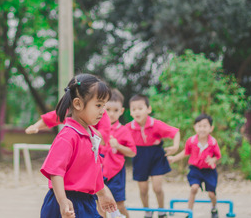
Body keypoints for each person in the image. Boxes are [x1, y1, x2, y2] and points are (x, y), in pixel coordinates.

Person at [40, 74, 117, 217]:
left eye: (104, 106)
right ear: (78, 103)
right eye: (98, 105)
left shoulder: (92, 135)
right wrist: (63, 201)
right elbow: (55, 172)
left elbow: (93, 169)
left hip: (86, 202)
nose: (103, 111)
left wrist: (102, 193)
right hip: (67, 203)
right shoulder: (68, 136)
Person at [128, 94, 180, 218]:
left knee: (157, 188)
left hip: (156, 156)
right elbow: (116, 138)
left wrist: (175, 147)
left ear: (148, 109)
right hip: (139, 157)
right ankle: (147, 211)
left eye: (140, 108)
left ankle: (161, 210)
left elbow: (175, 132)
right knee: (143, 190)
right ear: (130, 112)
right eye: (134, 109)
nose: (137, 111)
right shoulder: (128, 128)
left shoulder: (156, 124)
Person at [168, 114, 221, 218]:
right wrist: (174, 158)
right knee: (194, 188)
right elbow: (185, 152)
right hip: (195, 169)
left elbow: (218, 156)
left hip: (209, 171)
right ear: (195, 127)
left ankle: (214, 208)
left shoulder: (213, 142)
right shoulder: (191, 141)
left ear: (211, 128)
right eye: (199, 126)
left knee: (211, 193)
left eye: (205, 126)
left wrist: (212, 160)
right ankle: (189, 211)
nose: (202, 129)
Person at [98, 89, 136, 218]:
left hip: (116, 174)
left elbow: (132, 152)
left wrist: (118, 146)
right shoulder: (96, 129)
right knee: (100, 205)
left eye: (115, 110)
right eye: (108, 109)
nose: (111, 114)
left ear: (121, 111)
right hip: (99, 173)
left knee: (118, 205)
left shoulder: (124, 130)